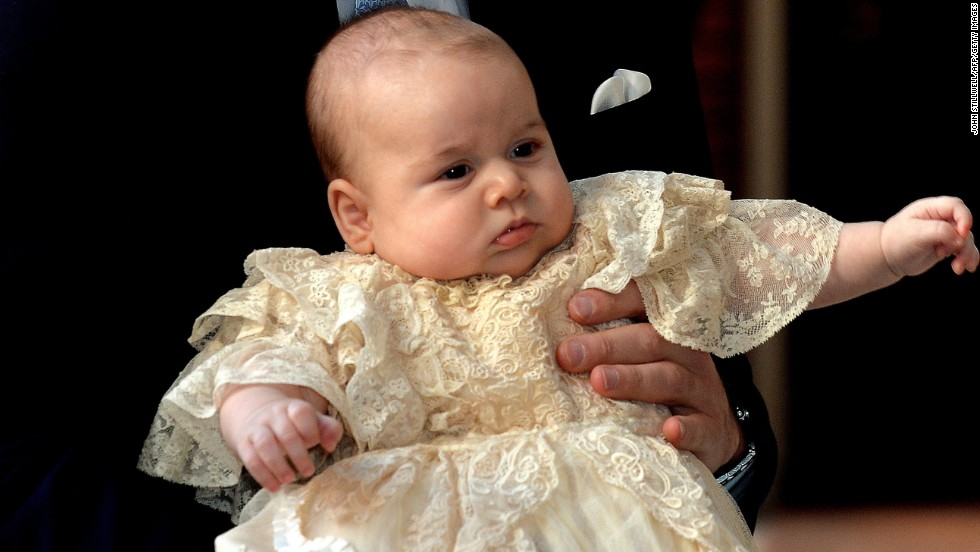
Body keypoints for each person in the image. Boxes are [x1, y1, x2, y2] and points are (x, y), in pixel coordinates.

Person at [137, 7, 978, 551]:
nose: (506, 184)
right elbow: (257, 362)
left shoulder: (602, 227)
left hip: (615, 518)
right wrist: (269, 416)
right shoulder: (342, 292)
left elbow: (760, 251)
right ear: (357, 216)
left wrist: (888, 245)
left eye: (525, 148)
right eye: (457, 170)